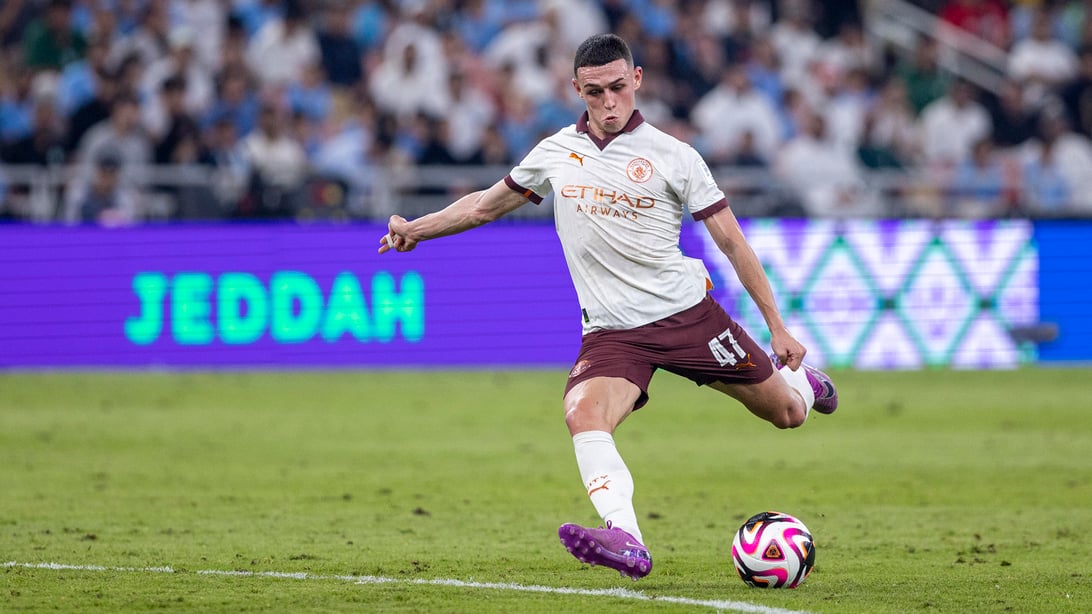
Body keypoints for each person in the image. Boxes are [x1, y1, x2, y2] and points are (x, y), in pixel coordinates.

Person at [378, 33, 838, 581]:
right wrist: (415, 230)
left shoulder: (675, 156)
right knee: (583, 411)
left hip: (689, 318)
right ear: (577, 89)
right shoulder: (555, 152)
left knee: (785, 414)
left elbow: (733, 243)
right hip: (613, 334)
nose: (610, 102)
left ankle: (806, 385)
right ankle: (625, 536)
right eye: (595, 92)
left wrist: (777, 329)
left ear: (637, 80)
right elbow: (483, 206)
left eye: (619, 87)